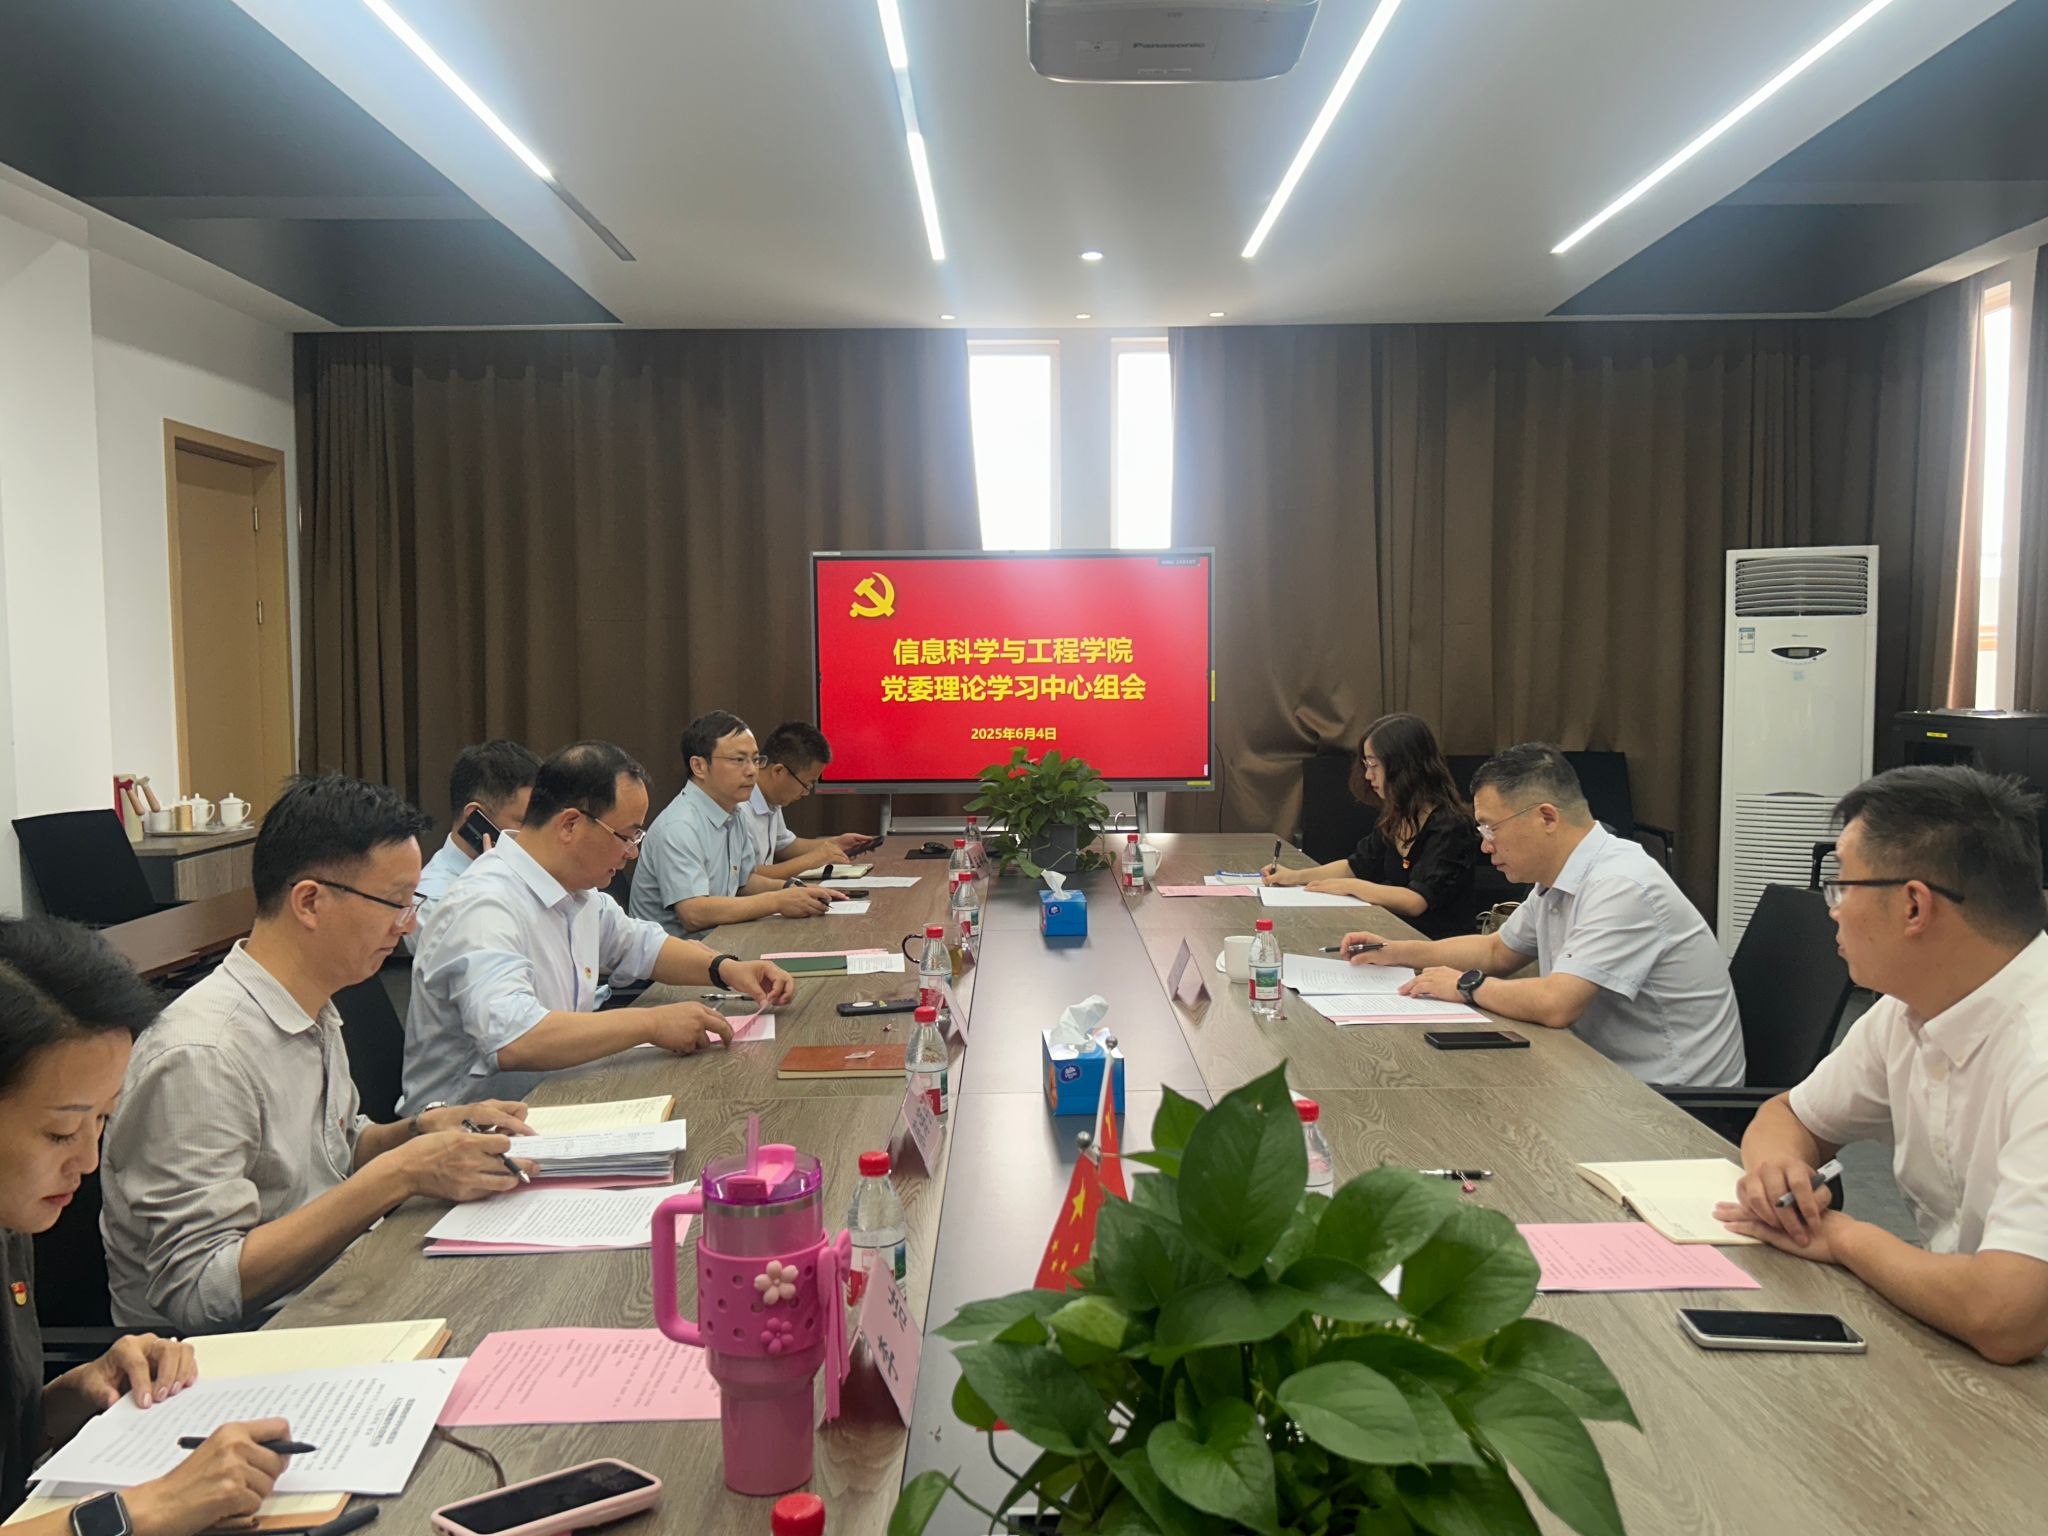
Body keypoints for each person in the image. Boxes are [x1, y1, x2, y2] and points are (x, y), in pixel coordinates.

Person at [101, 776, 540, 1335]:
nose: (408, 924)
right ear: (310, 901)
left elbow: (335, 1150)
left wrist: (418, 1132)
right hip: (245, 1346)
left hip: (336, 1289)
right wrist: (400, 1174)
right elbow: (199, 1291)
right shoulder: (202, 1054)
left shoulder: (312, 1003)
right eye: (396, 902)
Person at [1715, 766, 2048, 1365]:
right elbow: (1790, 1115)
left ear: (1914, 905)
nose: (1833, 911)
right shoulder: (1907, 1009)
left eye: (1842, 886)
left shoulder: (2037, 1050)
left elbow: (2005, 1316)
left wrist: (1842, 1237)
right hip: (1955, 1349)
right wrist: (1778, 1173)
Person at [2, 916, 295, 1535]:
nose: (88, 1161)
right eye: (60, 1132)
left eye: (102, 1120)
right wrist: (148, 1509)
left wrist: (76, 1394)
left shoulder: (11, 1218)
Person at [403, 740, 796, 1112]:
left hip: (555, 1098)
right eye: (626, 835)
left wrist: (725, 968)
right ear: (570, 825)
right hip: (468, 1132)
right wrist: (650, 1023)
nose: (633, 851)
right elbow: (514, 1038)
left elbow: (640, 945)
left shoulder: (574, 890)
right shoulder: (485, 905)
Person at [1345, 742, 1743, 1088]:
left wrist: (1467, 985)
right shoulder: (1561, 877)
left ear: (1547, 817)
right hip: (1598, 1072)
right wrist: (1395, 952)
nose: (1485, 846)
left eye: (1490, 829)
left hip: (1674, 1104)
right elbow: (1497, 951)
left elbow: (1557, 1004)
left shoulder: (1622, 884)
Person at [1261, 713, 1478, 940]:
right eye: (1365, 765)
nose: (1368, 775)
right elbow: (1357, 866)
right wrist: (1295, 877)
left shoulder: (1451, 825)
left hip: (1437, 944)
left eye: (1374, 765)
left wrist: (1351, 887)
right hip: (1396, 934)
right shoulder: (1397, 815)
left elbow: (1416, 901)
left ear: (1404, 766)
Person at [629, 712, 844, 939]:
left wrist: (791, 889)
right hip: (676, 956)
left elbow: (743, 882)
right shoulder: (679, 826)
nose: (752, 771)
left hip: (722, 941)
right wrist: (777, 901)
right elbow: (693, 913)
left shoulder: (734, 812)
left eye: (755, 759)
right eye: (739, 760)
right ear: (699, 766)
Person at [412, 739, 542, 939]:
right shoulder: (433, 903)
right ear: (474, 816)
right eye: (524, 822)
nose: (537, 834)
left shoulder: (532, 875)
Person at [745, 721, 876, 882]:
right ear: (778, 771)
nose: (806, 792)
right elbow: (746, 878)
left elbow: (785, 845)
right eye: (806, 784)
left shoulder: (772, 799)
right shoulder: (739, 806)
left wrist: (835, 844)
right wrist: (810, 861)